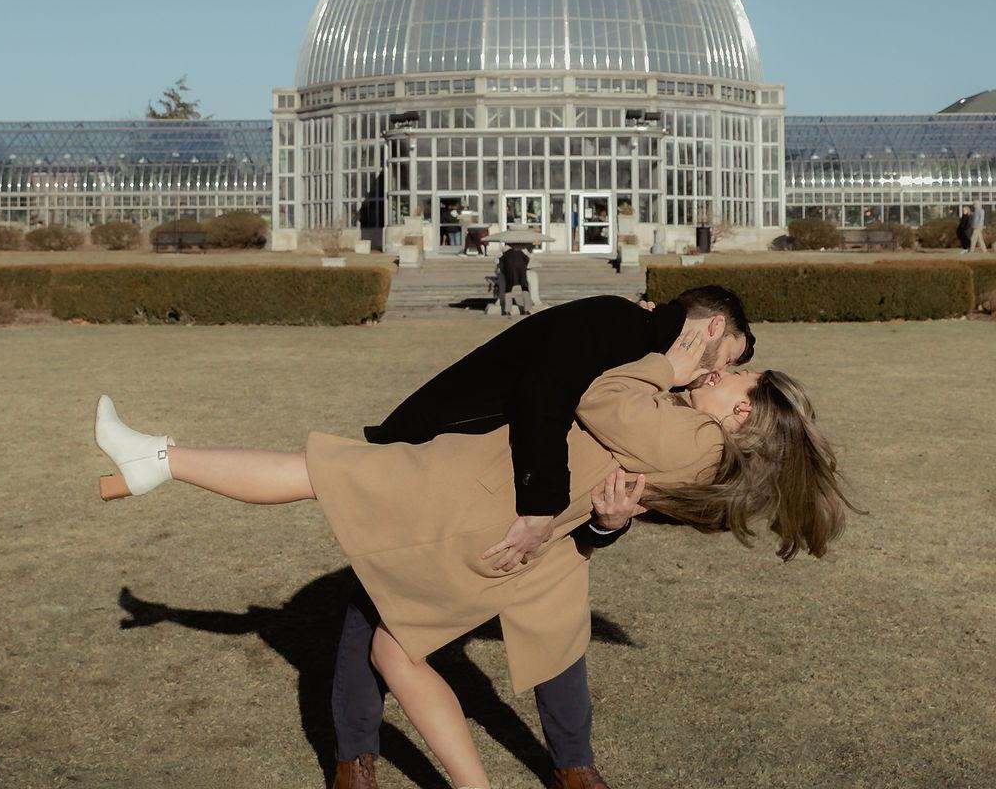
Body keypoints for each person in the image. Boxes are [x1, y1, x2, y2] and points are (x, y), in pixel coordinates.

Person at [93, 330, 854, 789]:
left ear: (746, 414)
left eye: (736, 379)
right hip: (493, 540)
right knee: (396, 652)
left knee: (315, 470)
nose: (718, 376)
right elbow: (605, 482)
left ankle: (161, 457)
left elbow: (602, 392)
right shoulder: (703, 459)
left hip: (463, 501)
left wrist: (670, 354)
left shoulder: (695, 437)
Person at [347, 288, 754, 788]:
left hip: (549, 524)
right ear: (713, 327)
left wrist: (610, 523)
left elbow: (634, 490)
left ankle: (573, 766)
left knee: (558, 630)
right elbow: (546, 395)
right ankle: (354, 756)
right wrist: (539, 506)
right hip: (464, 463)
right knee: (373, 596)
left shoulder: (674, 400)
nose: (720, 372)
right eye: (731, 359)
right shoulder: (627, 332)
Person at [496, 245, 531, 315]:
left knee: (508, 290)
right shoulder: (520, 252)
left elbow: (501, 266)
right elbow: (527, 259)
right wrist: (524, 267)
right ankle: (527, 310)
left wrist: (504, 272)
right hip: (521, 273)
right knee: (525, 289)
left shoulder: (505, 255)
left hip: (510, 274)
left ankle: (508, 310)